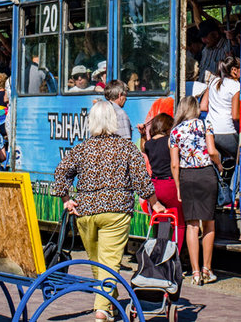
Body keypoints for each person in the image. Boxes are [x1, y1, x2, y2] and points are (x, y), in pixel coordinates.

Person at [53, 101, 165, 321]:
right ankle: (103, 310)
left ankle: (108, 305)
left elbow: (60, 173)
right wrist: (155, 203)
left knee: (98, 264)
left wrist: (67, 200)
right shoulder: (126, 147)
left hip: (85, 212)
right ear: (113, 121)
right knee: (109, 262)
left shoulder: (82, 148)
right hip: (116, 212)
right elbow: (142, 180)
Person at [169, 95, 221, 286]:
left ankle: (196, 272)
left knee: (192, 225)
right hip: (206, 175)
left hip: (187, 177)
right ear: (196, 109)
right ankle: (208, 269)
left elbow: (174, 165)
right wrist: (220, 165)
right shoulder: (206, 124)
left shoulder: (175, 132)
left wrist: (178, 187)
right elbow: (212, 151)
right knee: (209, 223)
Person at [142, 113, 183, 233]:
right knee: (179, 223)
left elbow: (144, 149)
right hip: (170, 185)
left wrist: (143, 135)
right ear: (168, 126)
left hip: (155, 186)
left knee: (160, 220)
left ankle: (159, 248)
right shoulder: (170, 141)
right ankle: (177, 251)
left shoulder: (149, 144)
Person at [205, 56, 241, 164]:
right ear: (234, 70)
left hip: (210, 130)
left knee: (218, 162)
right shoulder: (236, 86)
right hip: (226, 131)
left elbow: (203, 106)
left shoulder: (213, 81)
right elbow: (235, 116)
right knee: (240, 158)